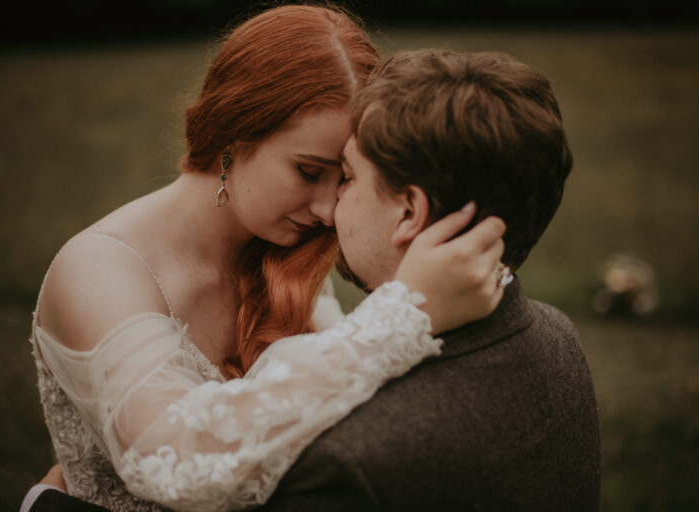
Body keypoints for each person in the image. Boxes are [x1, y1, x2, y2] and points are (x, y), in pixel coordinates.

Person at [23, 7, 507, 512]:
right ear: (237, 129)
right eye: (307, 171)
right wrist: (406, 317)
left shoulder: (287, 252)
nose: (327, 210)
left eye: (342, 176)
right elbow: (172, 462)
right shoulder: (100, 268)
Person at [253, 49, 601, 510]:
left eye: (350, 176)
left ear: (410, 213)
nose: (333, 201)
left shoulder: (345, 460)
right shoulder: (558, 336)